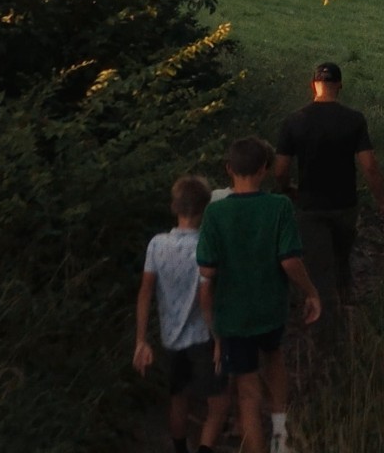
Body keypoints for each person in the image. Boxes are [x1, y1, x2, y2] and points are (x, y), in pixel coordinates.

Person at [199, 137, 322, 453]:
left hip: (232, 315)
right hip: (269, 309)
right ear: (265, 169)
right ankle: (280, 434)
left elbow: (207, 272)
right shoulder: (279, 206)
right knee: (275, 358)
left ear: (228, 169)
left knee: (247, 392)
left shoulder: (215, 214)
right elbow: (290, 260)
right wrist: (311, 292)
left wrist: (211, 323)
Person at [273, 62, 384, 331]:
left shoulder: (295, 121)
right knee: (341, 256)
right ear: (339, 85)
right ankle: (346, 302)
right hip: (345, 204)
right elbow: (369, 166)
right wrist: (382, 200)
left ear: (313, 84)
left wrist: (287, 188)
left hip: (310, 206)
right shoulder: (354, 120)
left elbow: (279, 169)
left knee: (318, 269)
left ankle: (326, 333)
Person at [133, 177, 229, 453]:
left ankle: (179, 449)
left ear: (174, 206)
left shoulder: (157, 244)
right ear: (204, 209)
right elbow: (205, 298)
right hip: (202, 337)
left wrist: (141, 340)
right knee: (219, 403)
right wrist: (218, 337)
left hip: (171, 338)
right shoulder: (206, 245)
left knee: (179, 398)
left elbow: (145, 292)